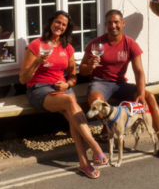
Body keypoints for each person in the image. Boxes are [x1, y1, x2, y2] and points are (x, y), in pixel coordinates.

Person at [79, 9, 159, 162]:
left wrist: (140, 92)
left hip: (120, 84)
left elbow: (139, 71)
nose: (113, 25)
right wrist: (91, 66)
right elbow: (83, 71)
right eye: (110, 23)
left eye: (116, 22)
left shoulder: (130, 44)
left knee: (149, 96)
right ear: (105, 25)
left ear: (123, 23)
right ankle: (109, 126)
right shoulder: (96, 43)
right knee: (95, 102)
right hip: (100, 82)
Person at [20, 11, 107, 179]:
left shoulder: (67, 47)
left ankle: (84, 163)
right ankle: (95, 146)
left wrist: (67, 84)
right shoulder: (36, 45)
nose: (59, 26)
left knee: (71, 111)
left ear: (67, 29)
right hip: (38, 90)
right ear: (51, 22)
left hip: (62, 89)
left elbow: (73, 77)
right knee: (70, 100)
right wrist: (37, 61)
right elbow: (23, 79)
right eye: (57, 22)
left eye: (63, 24)